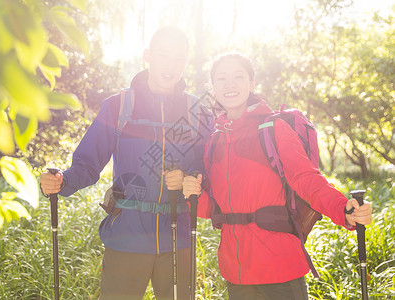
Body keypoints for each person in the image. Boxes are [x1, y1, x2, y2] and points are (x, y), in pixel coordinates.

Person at [181, 53, 373, 300]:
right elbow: (213, 209)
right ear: (214, 88)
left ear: (251, 84)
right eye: (222, 78)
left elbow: (306, 179)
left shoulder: (273, 129)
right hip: (236, 274)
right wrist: (191, 194)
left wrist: (343, 209)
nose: (230, 84)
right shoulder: (214, 142)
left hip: (280, 269)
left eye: (238, 76)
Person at [40, 27, 212, 300]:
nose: (170, 64)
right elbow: (87, 163)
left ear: (186, 62)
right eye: (163, 54)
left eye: (179, 57)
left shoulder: (199, 113)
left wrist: (193, 177)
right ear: (148, 56)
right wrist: (62, 180)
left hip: (177, 239)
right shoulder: (118, 106)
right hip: (126, 237)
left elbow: (207, 166)